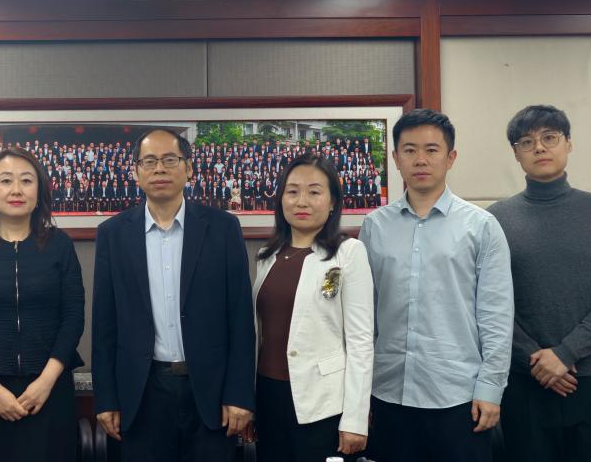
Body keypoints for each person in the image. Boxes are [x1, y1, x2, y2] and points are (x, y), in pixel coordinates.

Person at [92, 128, 255, 462]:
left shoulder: (223, 228)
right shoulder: (113, 234)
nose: (159, 169)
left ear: (189, 168)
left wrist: (239, 393)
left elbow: (240, 317)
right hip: (142, 392)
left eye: (170, 160)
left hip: (210, 392)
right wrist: (106, 398)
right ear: (136, 171)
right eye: (149, 161)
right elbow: (104, 323)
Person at [359, 109, 513, 462]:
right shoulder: (374, 226)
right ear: (396, 158)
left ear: (450, 157)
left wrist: (491, 388)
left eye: (431, 150)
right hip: (388, 393)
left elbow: (496, 316)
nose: (420, 160)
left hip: (459, 397)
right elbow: (366, 316)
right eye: (410, 150)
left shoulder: (481, 227)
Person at [488, 105, 591, 461]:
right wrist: (536, 361)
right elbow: (489, 303)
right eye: (526, 142)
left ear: (568, 143)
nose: (539, 147)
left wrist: (565, 354)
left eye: (549, 137)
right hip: (526, 379)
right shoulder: (495, 219)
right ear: (516, 154)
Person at [0, 148, 85, 461]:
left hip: (50, 392)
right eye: (6, 181)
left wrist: (45, 383)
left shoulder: (60, 245)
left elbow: (73, 318)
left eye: (26, 180)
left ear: (39, 192)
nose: (16, 190)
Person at [253, 153, 374, 461]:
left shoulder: (348, 253)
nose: (302, 201)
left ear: (332, 202)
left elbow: (361, 341)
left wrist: (355, 419)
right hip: (268, 396)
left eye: (314, 192)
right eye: (292, 191)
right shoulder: (268, 255)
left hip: (324, 403)